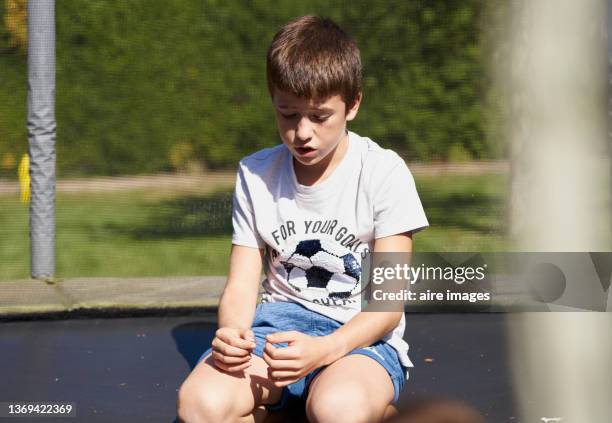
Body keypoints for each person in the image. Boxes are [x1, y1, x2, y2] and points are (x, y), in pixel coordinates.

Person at [177, 15, 428, 423]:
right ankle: (291, 411)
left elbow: (386, 304)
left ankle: (337, 405)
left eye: (319, 116)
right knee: (198, 405)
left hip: (358, 339)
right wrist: (231, 333)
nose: (302, 133)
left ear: (353, 105)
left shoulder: (384, 172)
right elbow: (241, 284)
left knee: (335, 409)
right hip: (273, 334)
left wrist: (326, 349)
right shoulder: (256, 174)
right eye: (288, 114)